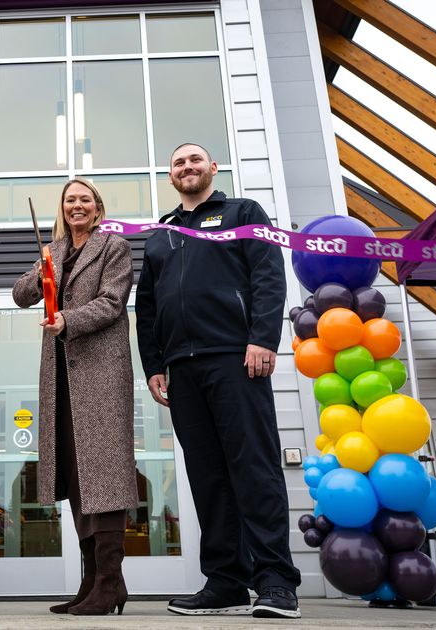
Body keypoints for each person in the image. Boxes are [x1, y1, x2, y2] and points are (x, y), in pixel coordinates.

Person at [136, 143, 301, 619]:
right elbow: (146, 306)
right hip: (182, 369)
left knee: (254, 469)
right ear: (171, 176)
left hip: (236, 358)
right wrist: (154, 364)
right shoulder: (162, 234)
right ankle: (226, 581)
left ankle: (275, 582)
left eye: (194, 160)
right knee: (208, 478)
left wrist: (263, 338)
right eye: (178, 163)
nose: (186, 167)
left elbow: (268, 275)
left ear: (212, 168)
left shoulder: (243, 213)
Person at [11, 178, 139, 616]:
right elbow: (20, 295)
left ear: (97, 208)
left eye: (85, 199)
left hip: (101, 375)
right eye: (70, 200)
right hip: (62, 379)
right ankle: (94, 583)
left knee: (104, 474)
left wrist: (67, 319)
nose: (77, 205)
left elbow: (112, 302)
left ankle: (109, 581)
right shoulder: (53, 251)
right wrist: (41, 273)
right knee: (77, 475)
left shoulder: (113, 247)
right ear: (62, 209)